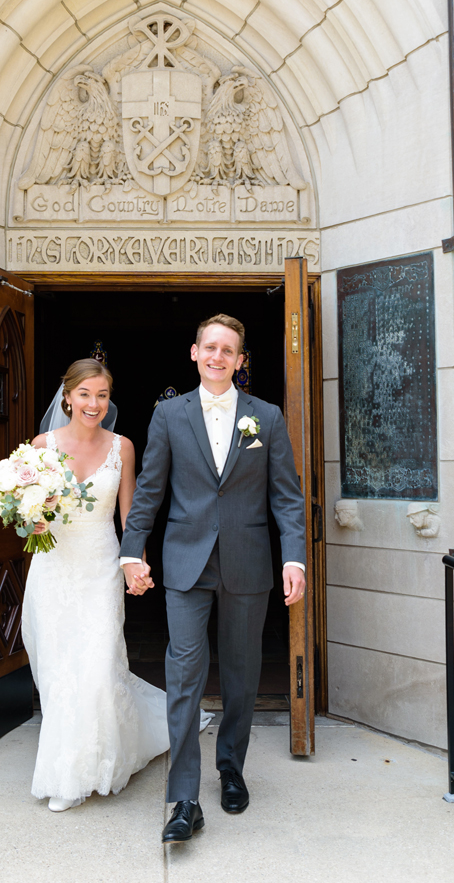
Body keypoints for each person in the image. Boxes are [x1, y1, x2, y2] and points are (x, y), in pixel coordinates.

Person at [120, 315, 308, 843]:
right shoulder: (167, 415)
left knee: (243, 673)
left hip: (248, 561)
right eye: (210, 347)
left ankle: (231, 767)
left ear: (240, 360)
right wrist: (131, 552)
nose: (218, 356)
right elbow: (150, 491)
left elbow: (287, 498)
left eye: (229, 350)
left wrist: (293, 559)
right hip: (186, 560)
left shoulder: (265, 418)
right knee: (183, 675)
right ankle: (184, 797)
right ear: (194, 353)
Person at [20, 358, 169, 811]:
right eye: (85, 394)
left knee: (100, 669)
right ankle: (66, 777)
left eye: (102, 395)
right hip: (53, 570)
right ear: (67, 396)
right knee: (61, 672)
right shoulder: (42, 445)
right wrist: (33, 520)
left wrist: (135, 564)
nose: (94, 403)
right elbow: (27, 519)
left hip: (100, 568)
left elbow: (131, 516)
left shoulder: (122, 447)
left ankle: (103, 763)